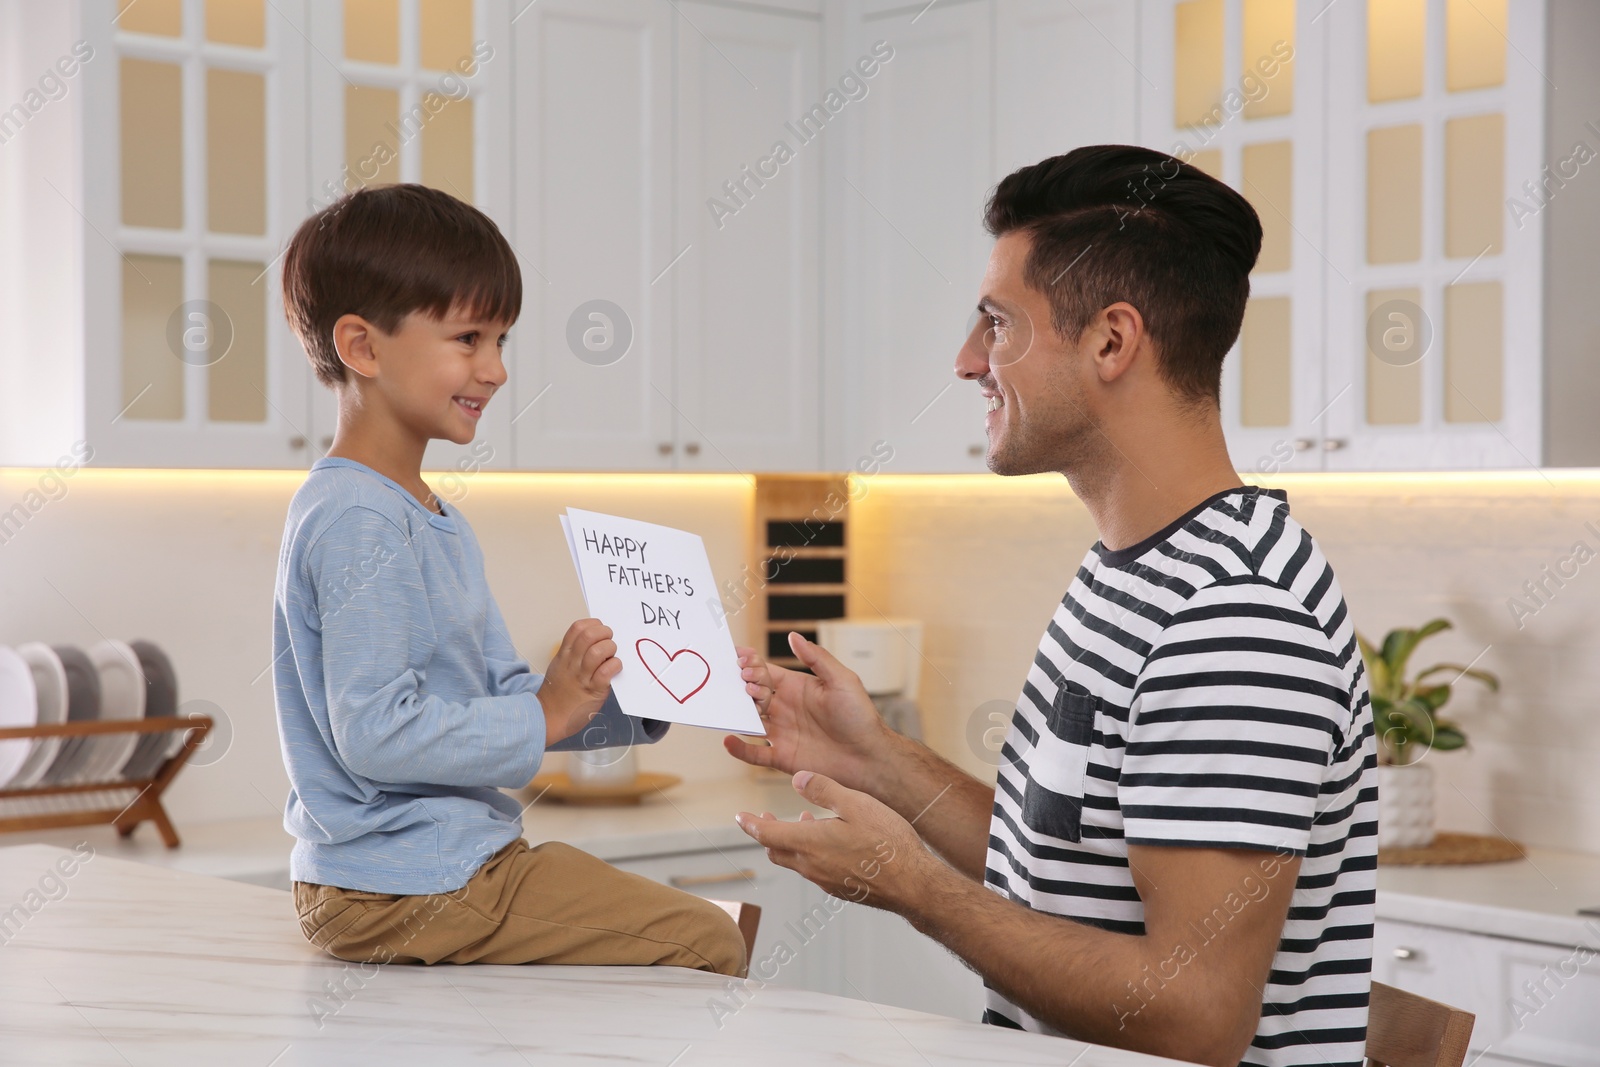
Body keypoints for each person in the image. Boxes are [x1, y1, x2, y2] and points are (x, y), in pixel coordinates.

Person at [729, 146, 1376, 1067]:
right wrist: (879, 760)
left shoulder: (1235, 615)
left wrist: (915, 888)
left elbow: (1197, 1016)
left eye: (996, 323)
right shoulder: (1137, 570)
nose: (966, 361)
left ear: (1112, 341)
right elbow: (1063, 859)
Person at [272, 183, 765, 975]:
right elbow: (374, 732)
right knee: (710, 936)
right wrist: (545, 707)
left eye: (502, 339)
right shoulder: (357, 518)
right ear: (363, 348)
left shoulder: (430, 515)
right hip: (401, 887)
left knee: (716, 924)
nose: (496, 369)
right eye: (469, 337)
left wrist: (624, 696)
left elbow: (500, 695)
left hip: (439, 871)